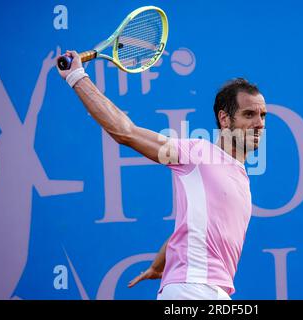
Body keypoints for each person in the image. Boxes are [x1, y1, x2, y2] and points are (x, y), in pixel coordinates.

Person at [57, 50, 267, 300]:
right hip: (193, 290)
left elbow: (193, 225)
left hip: (209, 292)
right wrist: (77, 76)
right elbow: (127, 132)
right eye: (249, 114)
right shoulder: (198, 154)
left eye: (263, 115)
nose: (260, 123)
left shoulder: (240, 175)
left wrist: (158, 266)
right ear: (224, 118)